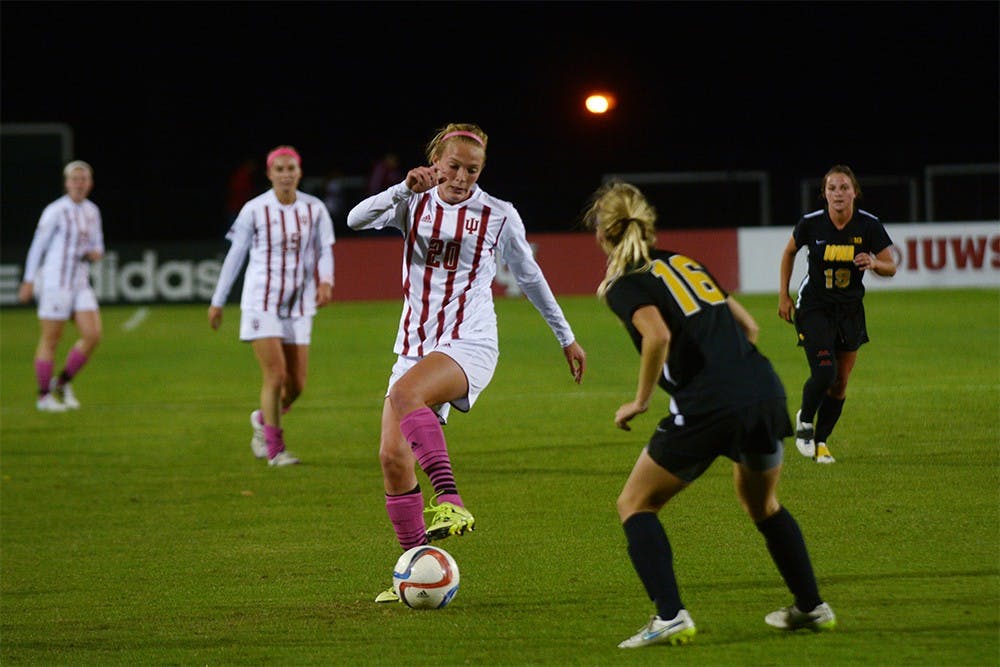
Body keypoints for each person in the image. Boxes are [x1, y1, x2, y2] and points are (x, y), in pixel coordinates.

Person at [583, 180, 835, 648]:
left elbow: (656, 336)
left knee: (635, 504)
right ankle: (811, 606)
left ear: (602, 232)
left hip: (707, 406)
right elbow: (748, 324)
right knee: (762, 505)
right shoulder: (683, 262)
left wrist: (640, 401)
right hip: (762, 393)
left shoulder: (624, 283)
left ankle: (670, 615)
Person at [346, 123, 587, 603]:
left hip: (470, 342)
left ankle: (451, 499)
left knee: (404, 395)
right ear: (435, 161)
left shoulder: (497, 214)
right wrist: (400, 189)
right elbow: (354, 220)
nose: (460, 177)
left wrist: (567, 336)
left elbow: (530, 276)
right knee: (392, 459)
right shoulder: (411, 201)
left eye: (471, 170)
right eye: (452, 166)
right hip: (414, 347)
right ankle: (417, 566)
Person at [209, 145, 336, 467]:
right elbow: (236, 256)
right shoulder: (254, 209)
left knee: (297, 385)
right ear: (269, 174)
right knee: (276, 376)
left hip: (299, 304)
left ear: (299, 172)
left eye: (290, 169)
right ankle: (275, 449)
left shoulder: (315, 209)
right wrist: (218, 300)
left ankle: (261, 419)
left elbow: (324, 250)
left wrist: (326, 281)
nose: (285, 174)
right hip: (260, 302)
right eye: (279, 169)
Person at [778, 165, 896, 464]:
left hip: (850, 311)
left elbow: (890, 267)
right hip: (815, 307)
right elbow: (789, 252)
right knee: (825, 373)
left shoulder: (869, 226)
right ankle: (805, 421)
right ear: (824, 194)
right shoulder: (811, 224)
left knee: (840, 383)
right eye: (832, 188)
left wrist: (873, 263)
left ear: (855, 192)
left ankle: (821, 443)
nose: (838, 193)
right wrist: (784, 295)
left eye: (844, 187)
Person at [18, 160, 105, 412]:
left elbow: (98, 244)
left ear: (89, 183)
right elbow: (38, 246)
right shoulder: (55, 210)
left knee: (92, 335)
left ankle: (62, 382)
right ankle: (44, 396)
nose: (79, 184)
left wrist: (96, 253)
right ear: (67, 183)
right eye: (74, 179)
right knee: (51, 339)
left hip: (80, 281)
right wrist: (28, 279)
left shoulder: (92, 211)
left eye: (83, 179)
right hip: (56, 282)